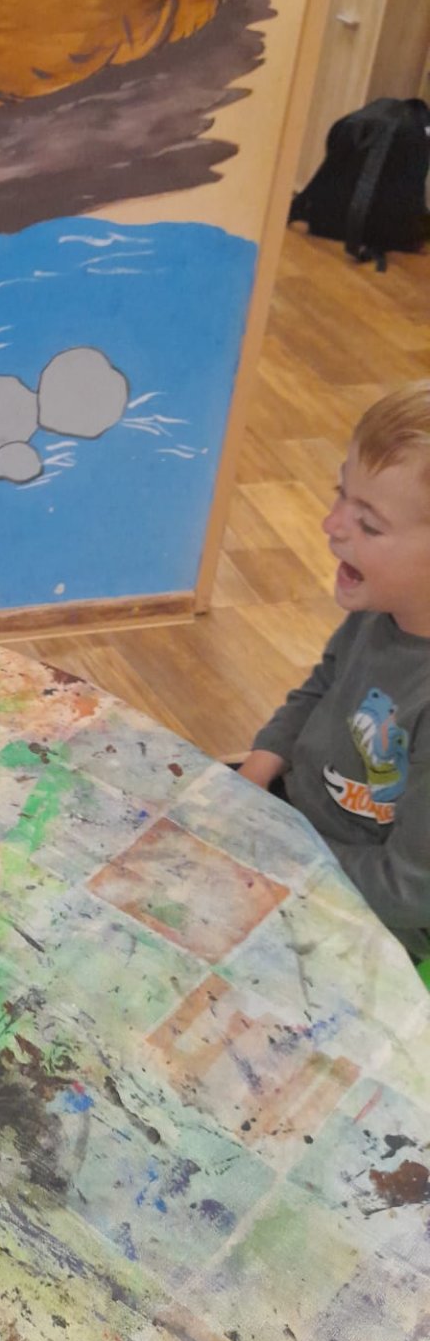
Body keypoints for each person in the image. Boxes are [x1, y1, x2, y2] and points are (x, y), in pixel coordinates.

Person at [240, 382, 430, 960]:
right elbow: (323, 685)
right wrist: (258, 768)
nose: (331, 524)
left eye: (368, 524)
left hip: (371, 920)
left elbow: (409, 892)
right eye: (340, 495)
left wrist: (281, 852)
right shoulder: (381, 610)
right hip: (300, 829)